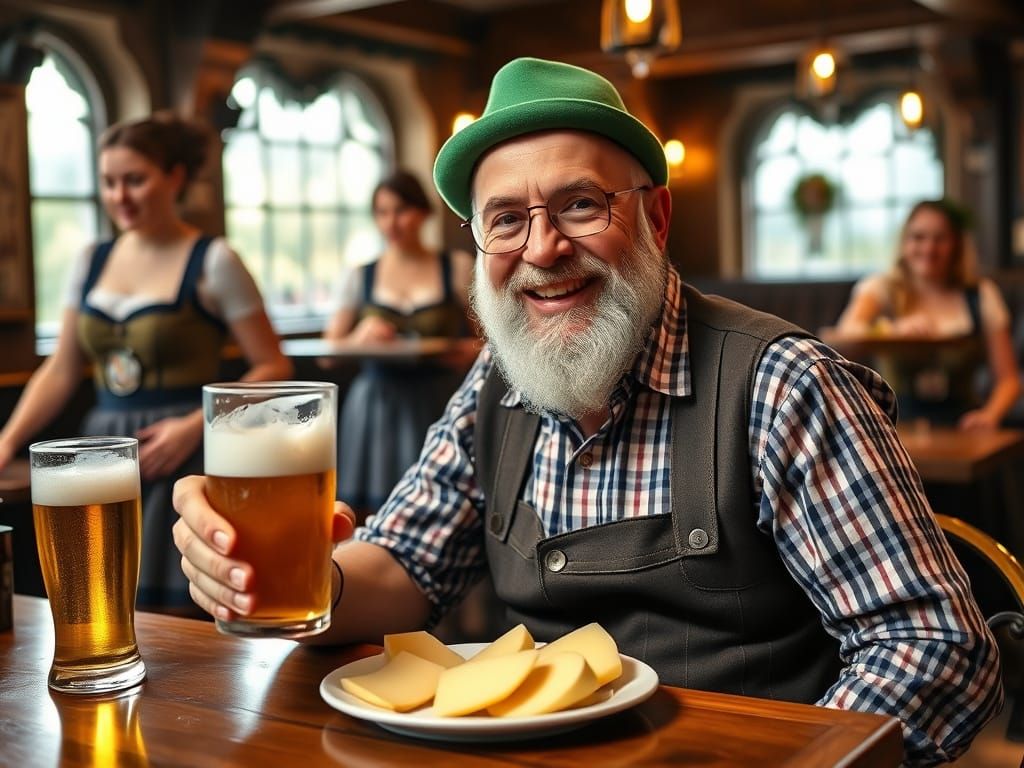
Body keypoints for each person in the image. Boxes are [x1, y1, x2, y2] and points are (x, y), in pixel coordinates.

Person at [173, 58, 1001, 764]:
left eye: (579, 205)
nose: (542, 249)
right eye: (505, 221)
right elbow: (403, 566)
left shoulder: (782, 383)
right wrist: (277, 578)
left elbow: (935, 647)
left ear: (656, 216)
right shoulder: (498, 381)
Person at [0, 114, 292, 609]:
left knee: (183, 599)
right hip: (104, 452)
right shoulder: (91, 258)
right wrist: (7, 441)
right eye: (109, 183)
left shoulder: (214, 259)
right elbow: (63, 367)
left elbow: (274, 367)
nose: (120, 197)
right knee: (104, 593)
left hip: (181, 449)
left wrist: (198, 425)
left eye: (135, 180)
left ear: (175, 177)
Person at [323, 170, 474, 518]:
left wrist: (468, 352)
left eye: (401, 210)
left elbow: (489, 342)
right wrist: (358, 337)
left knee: (443, 506)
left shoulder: (456, 267)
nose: (392, 222)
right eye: (382, 212)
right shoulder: (360, 275)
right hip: (375, 407)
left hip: (439, 399)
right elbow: (329, 355)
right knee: (368, 513)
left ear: (423, 212)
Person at [835, 199, 1021, 429]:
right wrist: (893, 331)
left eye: (940, 238)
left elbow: (1008, 379)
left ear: (956, 245)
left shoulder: (981, 294)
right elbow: (845, 335)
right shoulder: (881, 288)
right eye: (918, 237)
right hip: (893, 425)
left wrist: (990, 416)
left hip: (961, 424)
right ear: (904, 242)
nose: (929, 248)